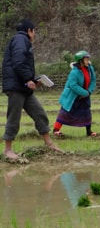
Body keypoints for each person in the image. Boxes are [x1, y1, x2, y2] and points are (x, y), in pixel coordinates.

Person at [1, 19, 62, 161]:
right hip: (16, 87)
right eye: (34, 31)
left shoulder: (20, 41)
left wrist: (34, 80)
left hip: (23, 87)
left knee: (39, 113)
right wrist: (28, 79)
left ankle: (49, 143)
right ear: (30, 31)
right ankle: (8, 150)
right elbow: (18, 62)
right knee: (14, 117)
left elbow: (21, 65)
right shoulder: (21, 39)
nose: (34, 35)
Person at [53, 50, 97, 137]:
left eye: (88, 59)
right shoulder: (74, 72)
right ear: (81, 61)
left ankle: (89, 132)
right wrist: (84, 92)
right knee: (64, 113)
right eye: (86, 59)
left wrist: (88, 92)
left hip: (85, 95)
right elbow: (73, 85)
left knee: (86, 113)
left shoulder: (90, 68)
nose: (88, 61)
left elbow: (93, 80)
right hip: (73, 97)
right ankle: (56, 130)